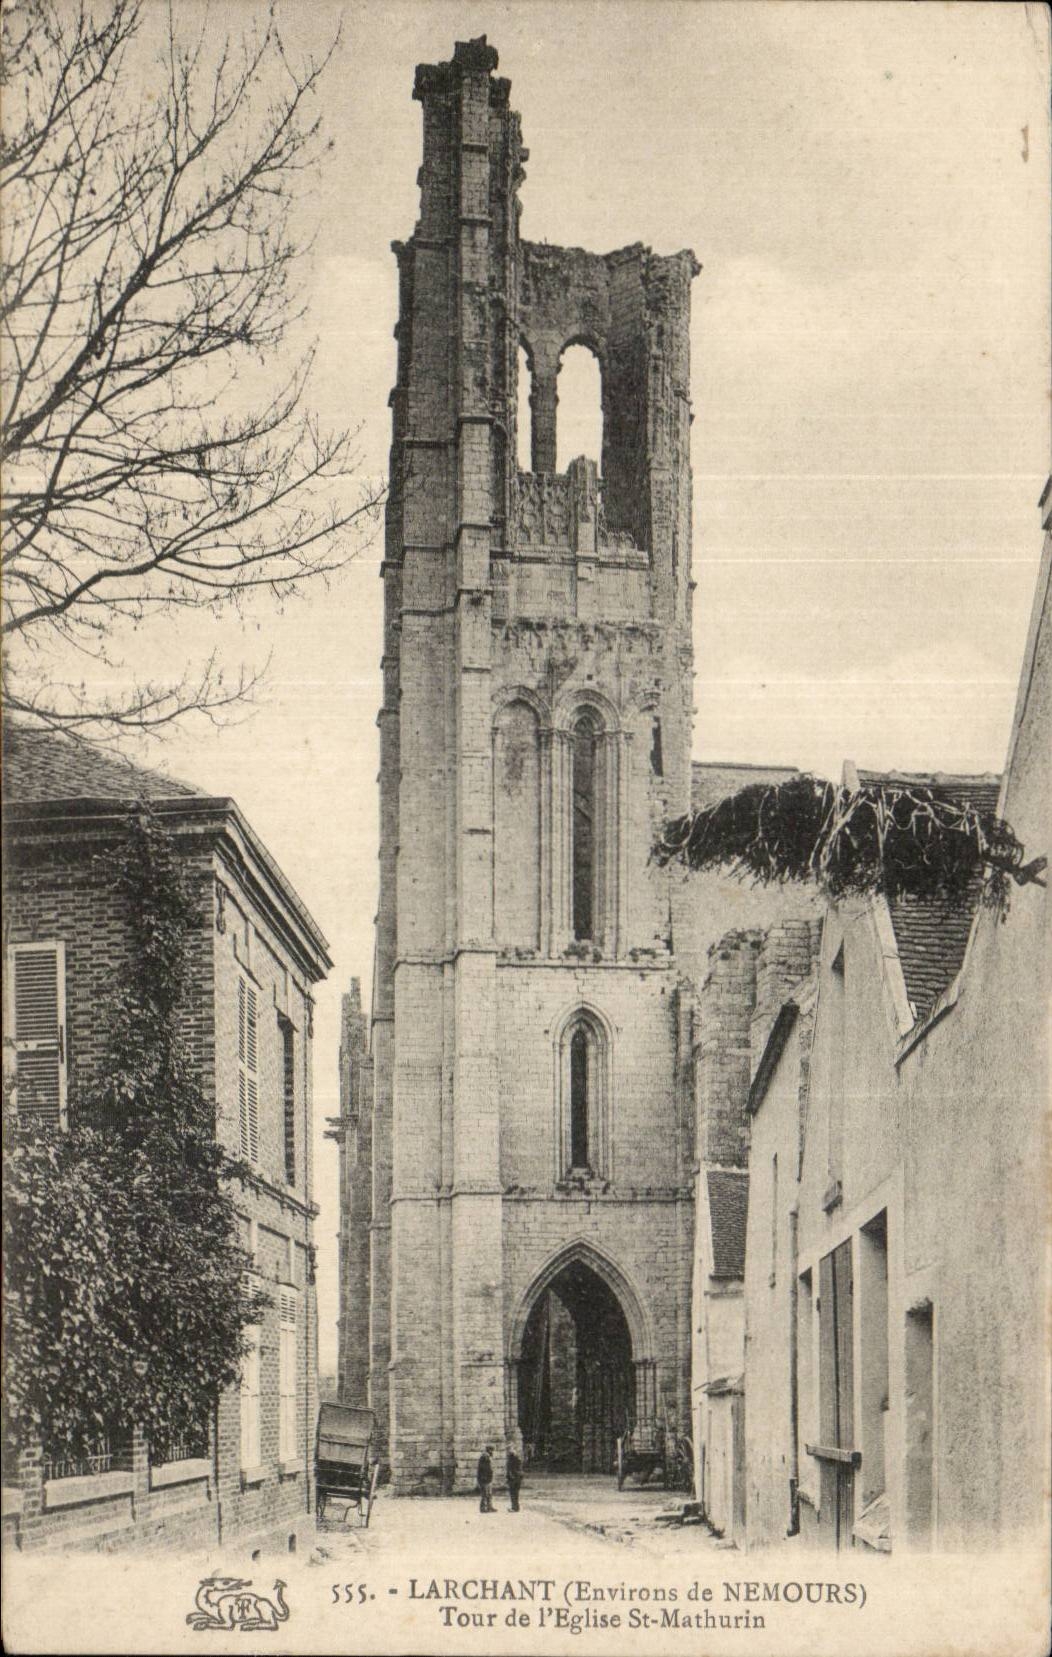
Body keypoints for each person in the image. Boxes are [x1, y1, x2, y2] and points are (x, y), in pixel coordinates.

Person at [477, 1445, 494, 1513]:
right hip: (484, 1478)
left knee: (489, 1494)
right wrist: (484, 1477)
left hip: (488, 1478)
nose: (492, 1452)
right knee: (485, 1494)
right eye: (491, 1450)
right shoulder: (484, 1458)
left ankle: (489, 1507)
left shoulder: (488, 1457)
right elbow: (484, 1469)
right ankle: (483, 1508)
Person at [506, 1445, 523, 1512]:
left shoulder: (514, 1458)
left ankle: (515, 1507)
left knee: (514, 1493)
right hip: (514, 1477)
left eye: (509, 1450)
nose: (508, 1451)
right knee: (514, 1493)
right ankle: (515, 1507)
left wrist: (511, 1475)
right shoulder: (513, 1457)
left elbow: (515, 1468)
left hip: (514, 1478)